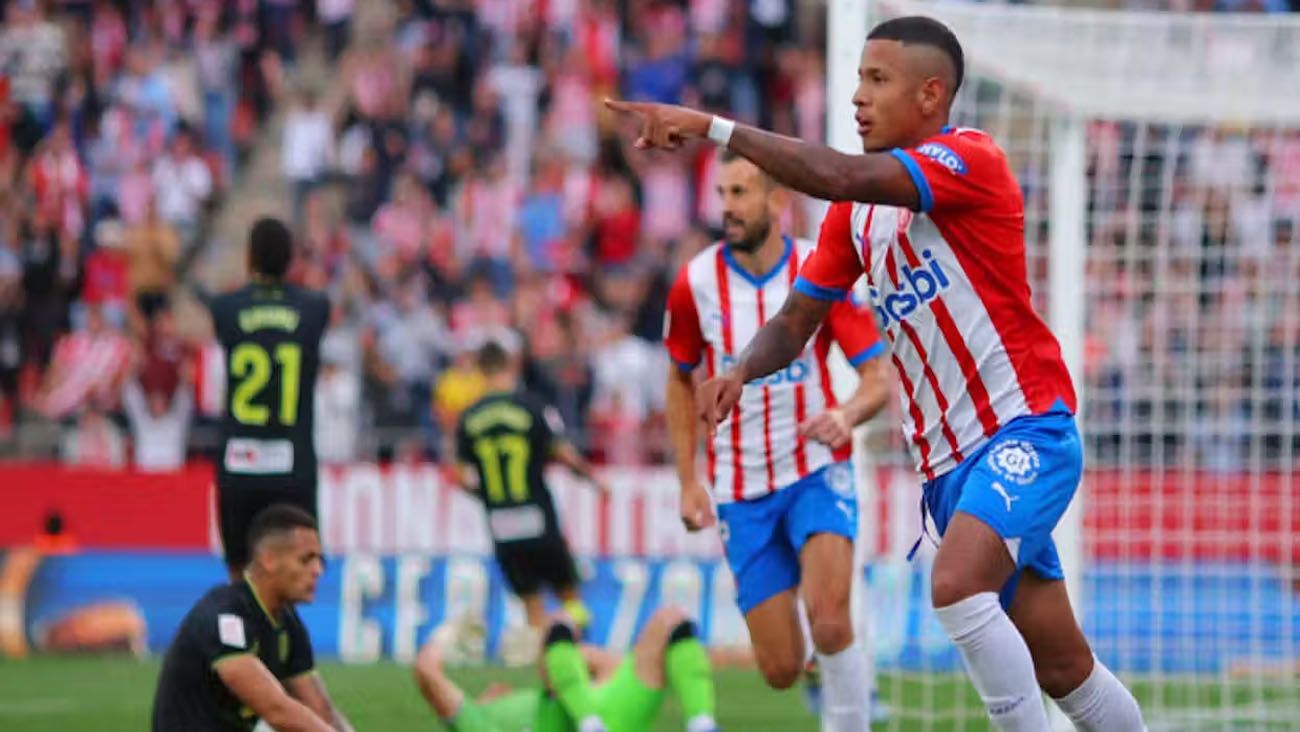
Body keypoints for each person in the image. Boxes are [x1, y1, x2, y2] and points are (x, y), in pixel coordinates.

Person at [606, 15, 1147, 732]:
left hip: (1025, 431)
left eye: (876, 80)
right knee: (1064, 668)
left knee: (954, 587)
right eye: (858, 78)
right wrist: (739, 368)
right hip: (950, 470)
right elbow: (796, 322)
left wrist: (710, 127)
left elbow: (836, 173)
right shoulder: (856, 219)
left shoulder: (970, 160)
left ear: (931, 95)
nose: (858, 96)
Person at [662, 147, 889, 731]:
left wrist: (846, 414)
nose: (727, 208)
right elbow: (680, 382)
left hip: (815, 467)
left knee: (832, 621)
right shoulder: (695, 284)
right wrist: (688, 482)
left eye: (740, 193)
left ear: (777, 201)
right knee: (781, 668)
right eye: (722, 195)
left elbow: (878, 377)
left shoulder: (819, 272)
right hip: (741, 489)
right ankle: (829, 675)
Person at [151, 505, 353, 732]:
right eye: (306, 560)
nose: (318, 570)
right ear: (269, 560)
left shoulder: (288, 622)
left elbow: (321, 710)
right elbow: (276, 710)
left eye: (319, 560)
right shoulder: (226, 616)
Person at [455, 333, 608, 630]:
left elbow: (461, 478)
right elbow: (564, 455)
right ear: (510, 365)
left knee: (533, 609)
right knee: (570, 597)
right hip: (537, 514)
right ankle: (578, 656)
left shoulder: (468, 418)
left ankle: (544, 660)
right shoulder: (533, 407)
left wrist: (487, 495)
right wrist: (594, 480)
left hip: (500, 521)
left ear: (481, 371)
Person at [208, 218, 330, 580]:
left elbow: (228, 305)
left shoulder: (226, 308)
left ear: (249, 258)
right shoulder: (314, 308)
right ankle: (281, 637)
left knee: (238, 574)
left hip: (239, 463)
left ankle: (246, 636)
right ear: (291, 260)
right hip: (292, 465)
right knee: (296, 576)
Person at [413, 607, 718, 732]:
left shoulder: (554, 687)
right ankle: (587, 723)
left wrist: (574, 656)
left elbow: (609, 667)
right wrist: (445, 636)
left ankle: (702, 724)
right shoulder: (476, 721)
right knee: (559, 623)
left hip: (594, 708)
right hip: (561, 721)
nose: (494, 688)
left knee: (672, 620)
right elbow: (425, 671)